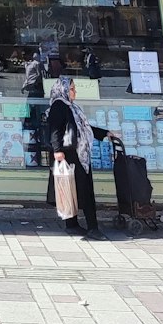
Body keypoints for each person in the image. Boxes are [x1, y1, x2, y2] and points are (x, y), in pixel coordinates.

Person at [46, 75, 115, 241]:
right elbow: (54, 129)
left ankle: (72, 224)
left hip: (78, 154)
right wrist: (57, 150)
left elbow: (83, 128)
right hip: (69, 155)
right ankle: (92, 227)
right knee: (81, 191)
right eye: (71, 88)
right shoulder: (59, 106)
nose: (74, 91)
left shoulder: (71, 107)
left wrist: (104, 133)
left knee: (75, 190)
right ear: (62, 90)